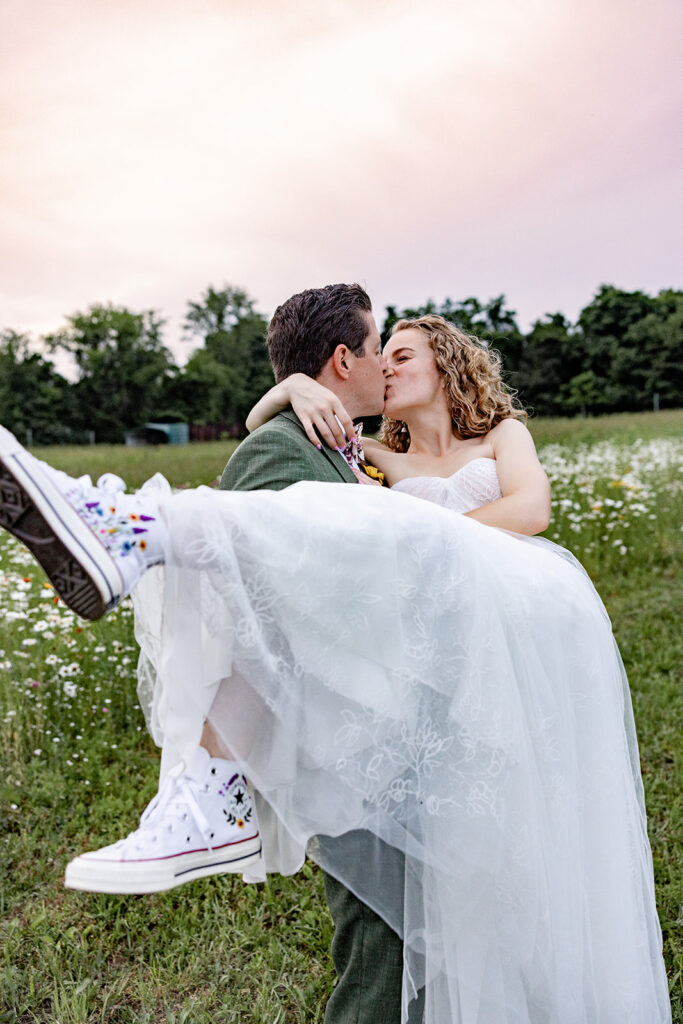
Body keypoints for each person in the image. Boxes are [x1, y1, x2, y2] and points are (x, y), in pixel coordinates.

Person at [0, 295, 671, 1023]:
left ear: (444, 366)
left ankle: (135, 530)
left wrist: (423, 534)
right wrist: (291, 387)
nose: (387, 362)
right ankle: (137, 537)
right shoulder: (376, 457)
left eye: (402, 351)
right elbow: (274, 439)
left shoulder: (500, 435)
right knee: (327, 524)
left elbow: (530, 511)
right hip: (450, 642)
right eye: (380, 347)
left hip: (528, 611)